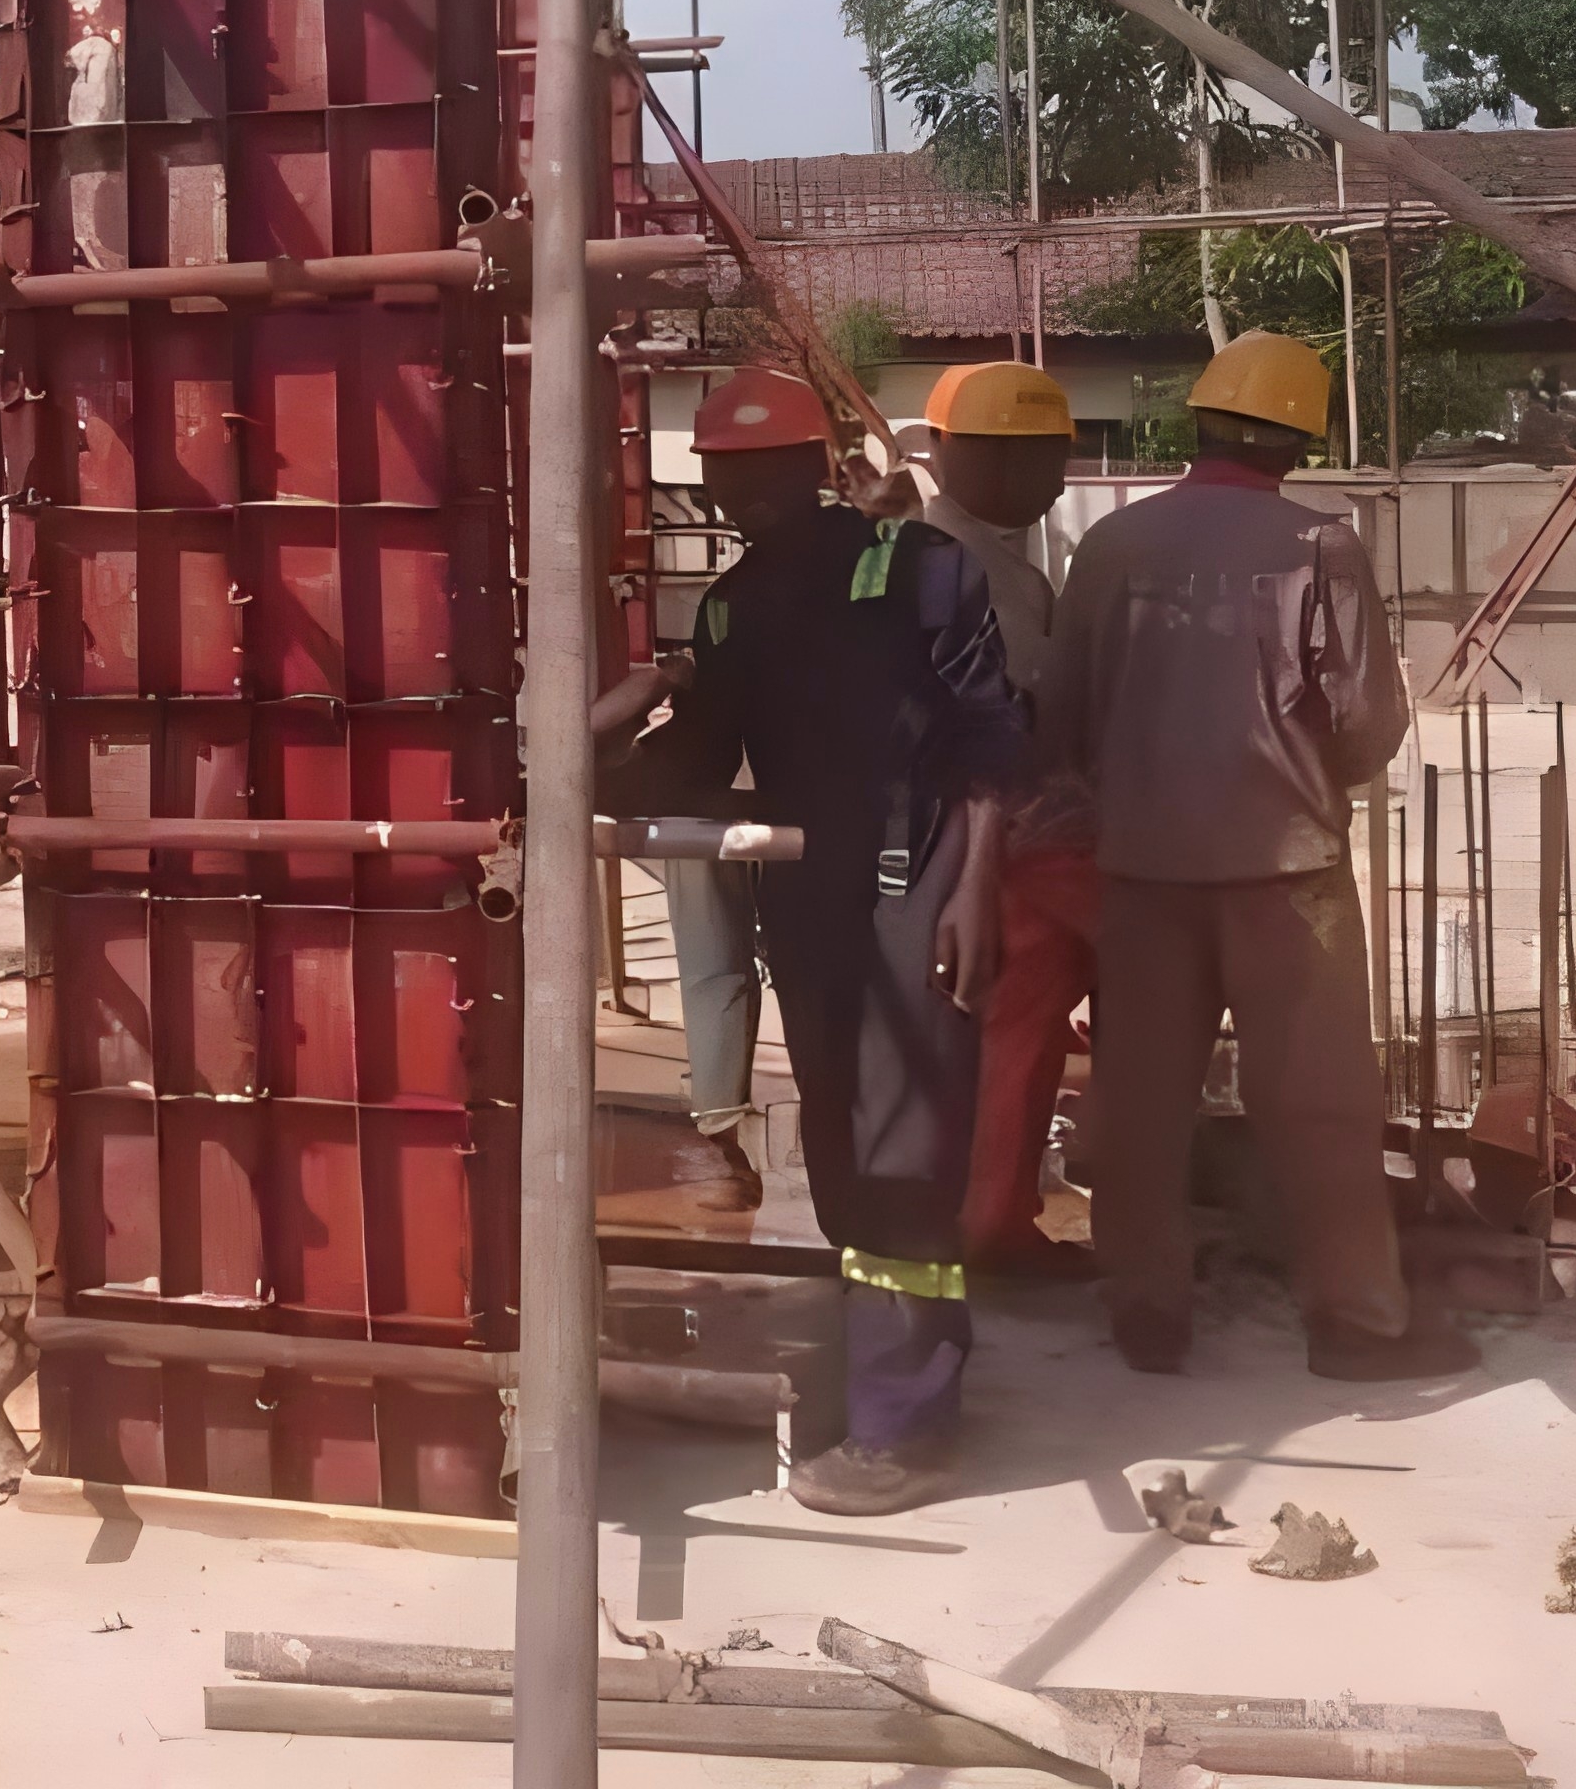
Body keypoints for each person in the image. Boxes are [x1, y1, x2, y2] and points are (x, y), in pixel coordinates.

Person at [621, 364, 1023, 1514]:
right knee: (846, 1149)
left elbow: (990, 737)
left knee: (900, 1144)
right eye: (723, 472)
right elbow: (695, 759)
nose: (740, 489)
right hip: (808, 888)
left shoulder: (922, 569)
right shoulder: (733, 604)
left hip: (919, 871)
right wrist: (581, 756)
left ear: (815, 466)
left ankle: (904, 1430)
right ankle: (898, 1376)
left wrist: (975, 885)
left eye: (761, 466)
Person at [1040, 333, 1468, 1381]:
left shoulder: (1109, 548)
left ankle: (1144, 1310)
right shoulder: (1318, 544)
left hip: (1140, 865)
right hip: (1285, 868)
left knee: (1138, 1100)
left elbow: (1062, 716)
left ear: (1197, 422)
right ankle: (1354, 1322)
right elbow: (1366, 721)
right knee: (1319, 1103)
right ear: (1294, 437)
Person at [920, 360, 1096, 1279]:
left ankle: (974, 1217)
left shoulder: (940, 551)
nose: (1057, 484)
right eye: (1037, 463)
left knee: (986, 1043)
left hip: (953, 848)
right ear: (956, 455)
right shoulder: (975, 576)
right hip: (1002, 850)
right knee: (1018, 1036)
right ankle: (991, 1224)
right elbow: (1015, 728)